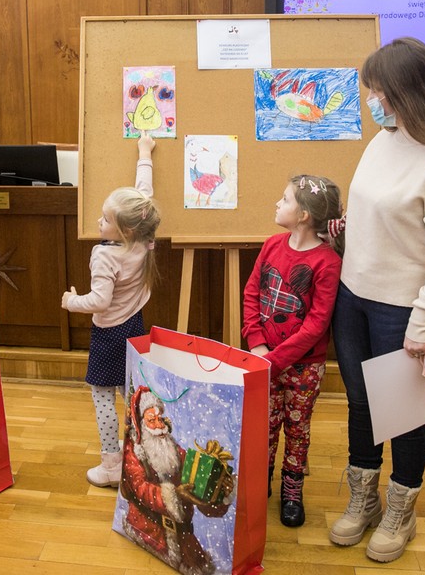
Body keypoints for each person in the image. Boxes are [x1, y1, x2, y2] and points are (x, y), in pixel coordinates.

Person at [329, 37, 425, 562]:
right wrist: (347, 232)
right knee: (360, 403)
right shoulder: (383, 140)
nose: (371, 99)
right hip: (353, 295)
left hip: (401, 309)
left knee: (400, 413)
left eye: (378, 91)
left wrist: (422, 320)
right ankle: (364, 500)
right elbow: (378, 211)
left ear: (405, 92)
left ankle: (401, 511)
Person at [241, 174, 343, 528]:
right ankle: (261, 482)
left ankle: (292, 491)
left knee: (297, 431)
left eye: (284, 200)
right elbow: (252, 293)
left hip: (304, 368)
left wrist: (274, 359)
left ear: (303, 215)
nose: (277, 204)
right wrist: (256, 342)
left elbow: (317, 324)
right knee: (264, 426)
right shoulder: (271, 245)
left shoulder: (327, 262)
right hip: (263, 358)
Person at [61, 133, 161, 487]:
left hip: (107, 333)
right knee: (130, 390)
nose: (99, 223)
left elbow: (100, 301)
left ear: (124, 229)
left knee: (102, 394)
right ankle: (146, 449)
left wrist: (71, 301)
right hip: (134, 325)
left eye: (105, 220)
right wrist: (144, 153)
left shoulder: (105, 255)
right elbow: (143, 194)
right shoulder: (143, 239)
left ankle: (110, 464)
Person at [120, 386, 232, 574]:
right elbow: (141, 488)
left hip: (182, 535)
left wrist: (217, 490)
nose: (159, 425)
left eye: (159, 418)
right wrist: (175, 496)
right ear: (141, 424)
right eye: (151, 420)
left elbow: (196, 489)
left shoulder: (175, 451)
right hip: (148, 529)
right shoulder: (135, 452)